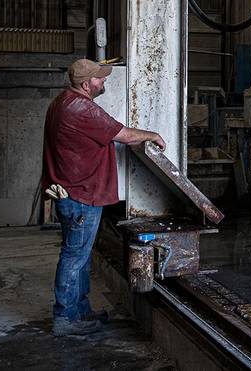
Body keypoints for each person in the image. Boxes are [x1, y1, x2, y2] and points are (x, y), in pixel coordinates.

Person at [41, 58, 166, 336]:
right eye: (99, 78)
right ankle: (65, 318)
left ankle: (80, 311)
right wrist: (153, 134)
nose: (104, 81)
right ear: (86, 84)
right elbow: (122, 134)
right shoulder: (83, 109)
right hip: (81, 195)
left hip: (72, 192)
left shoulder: (61, 102)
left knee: (81, 256)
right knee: (74, 257)